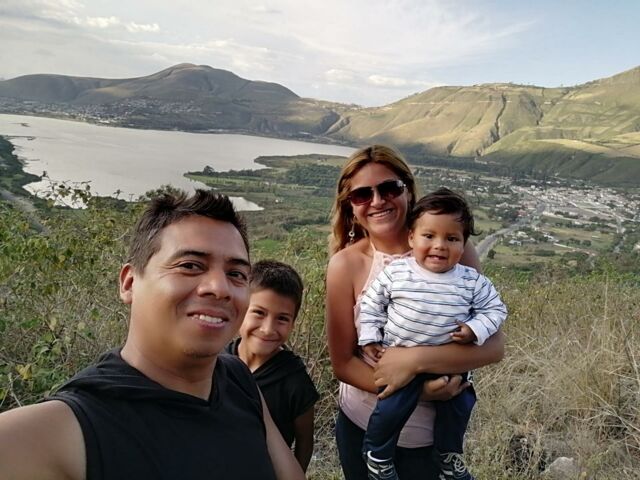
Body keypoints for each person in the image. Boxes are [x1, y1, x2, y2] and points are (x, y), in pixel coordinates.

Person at [0, 190, 305, 480]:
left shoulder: (239, 381)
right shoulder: (71, 428)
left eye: (236, 274)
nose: (220, 288)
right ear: (129, 283)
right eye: (190, 265)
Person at [326, 144, 505, 480]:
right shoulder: (345, 265)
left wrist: (414, 361)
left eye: (389, 188)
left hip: (429, 441)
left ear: (408, 190)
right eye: (362, 194)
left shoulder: (452, 248)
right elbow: (344, 363)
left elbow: (494, 347)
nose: (377, 201)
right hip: (363, 429)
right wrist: (416, 391)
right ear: (350, 206)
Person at [225, 259, 319, 472]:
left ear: (293, 324)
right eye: (259, 312)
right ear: (241, 309)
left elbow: (305, 441)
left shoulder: (295, 381)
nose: (268, 329)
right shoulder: (216, 362)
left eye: (282, 319)